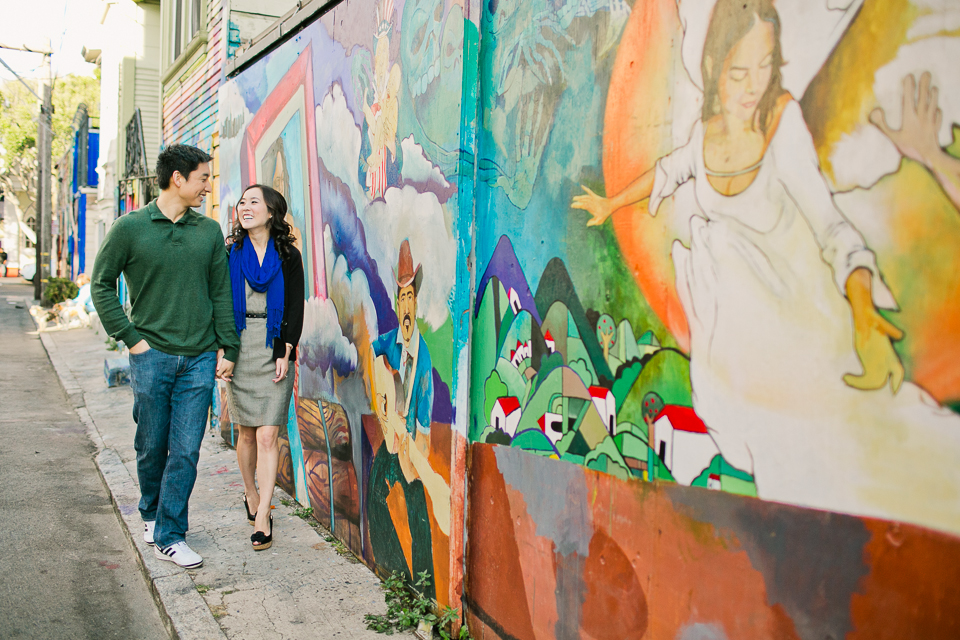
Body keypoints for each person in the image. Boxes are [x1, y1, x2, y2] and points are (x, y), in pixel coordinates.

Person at [572, 0, 960, 533]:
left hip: (799, 347)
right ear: (713, 68)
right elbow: (667, 173)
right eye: (739, 71)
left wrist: (865, 309)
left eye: (764, 65)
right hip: (734, 364)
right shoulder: (706, 133)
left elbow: (833, 229)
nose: (753, 85)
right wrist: (612, 204)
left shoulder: (782, 125)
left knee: (862, 465)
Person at [92, 144, 240, 568]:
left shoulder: (208, 231)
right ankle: (151, 512)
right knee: (151, 445)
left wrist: (228, 346)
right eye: (203, 178)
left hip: (197, 359)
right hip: (151, 355)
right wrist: (131, 339)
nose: (208, 187)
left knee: (187, 449)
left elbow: (219, 293)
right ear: (178, 178)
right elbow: (101, 284)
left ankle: (170, 533)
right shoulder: (130, 227)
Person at [223, 184, 304, 551]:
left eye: (254, 202)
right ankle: (250, 492)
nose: (245, 207)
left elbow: (294, 308)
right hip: (239, 344)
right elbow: (220, 304)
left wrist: (286, 350)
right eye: (242, 202)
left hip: (274, 345)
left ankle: (263, 514)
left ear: (271, 212)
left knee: (268, 435)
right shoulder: (230, 254)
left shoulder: (288, 256)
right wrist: (224, 350)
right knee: (245, 433)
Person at [367, 239, 450, 596]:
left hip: (412, 444)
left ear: (415, 304)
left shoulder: (425, 358)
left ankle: (426, 593)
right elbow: (373, 355)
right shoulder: (389, 342)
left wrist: (415, 452)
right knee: (375, 499)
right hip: (392, 437)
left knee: (419, 518)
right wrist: (384, 406)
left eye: (409, 298)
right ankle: (397, 574)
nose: (404, 305)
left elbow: (425, 421)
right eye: (400, 298)